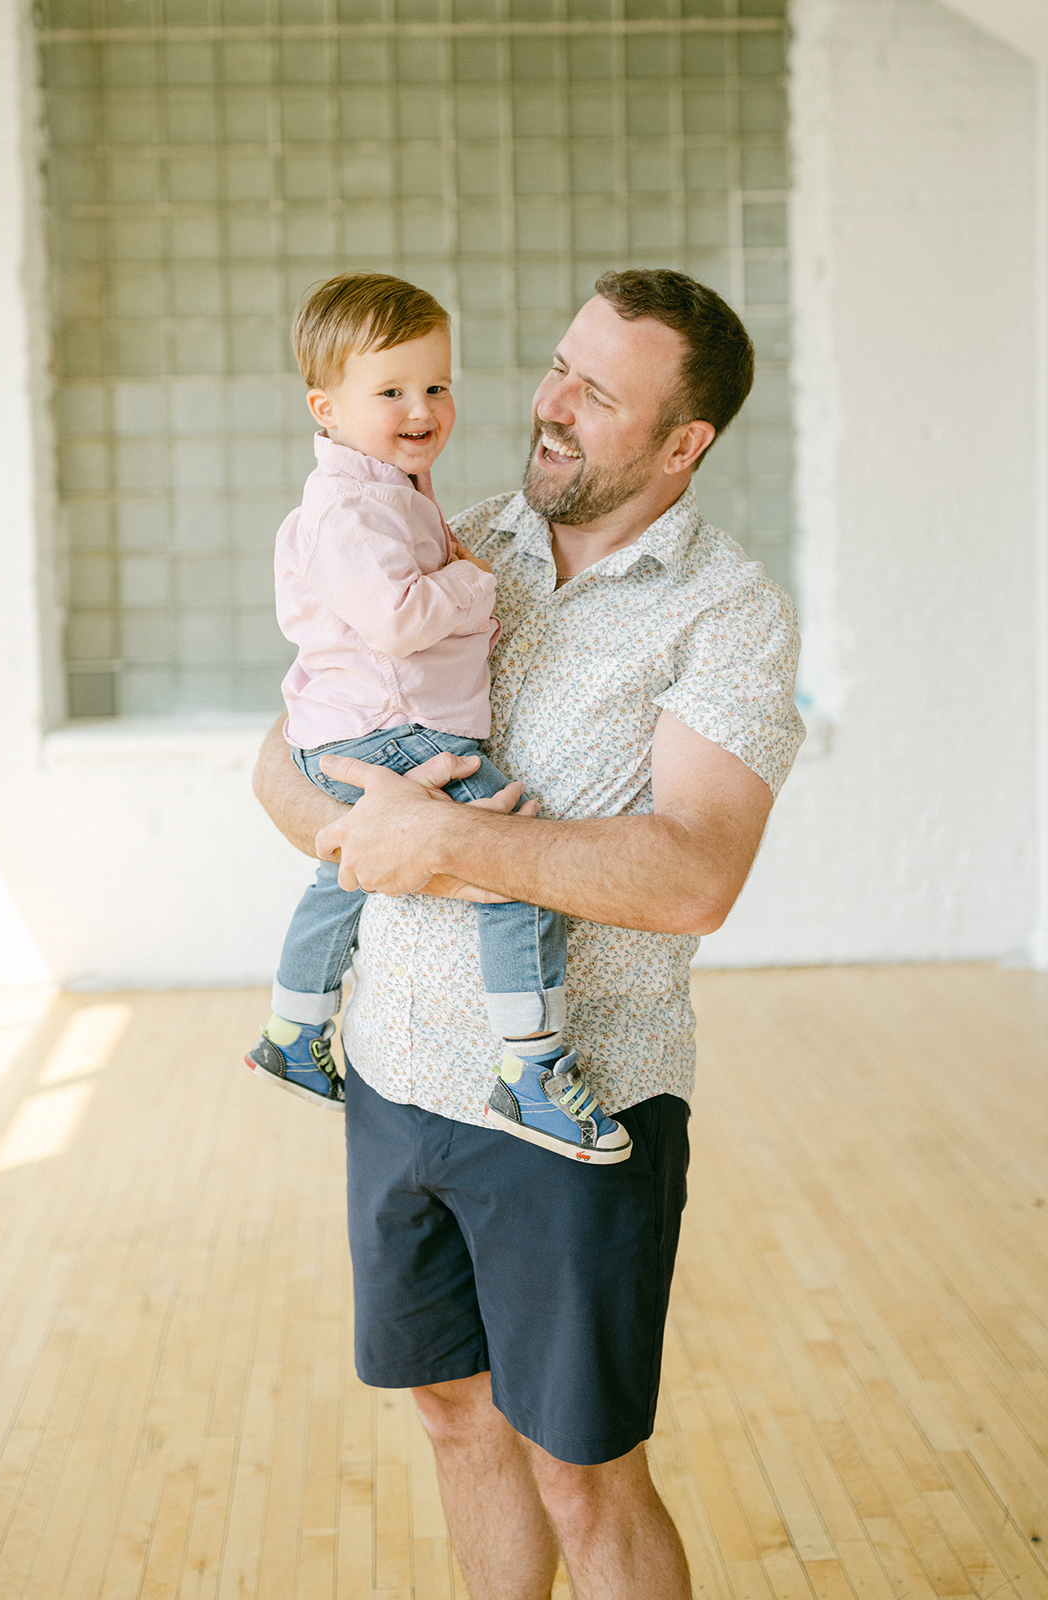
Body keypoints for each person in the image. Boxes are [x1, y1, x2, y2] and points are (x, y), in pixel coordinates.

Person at [254, 268, 805, 1600]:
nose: (549, 405)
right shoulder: (454, 536)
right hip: (392, 1075)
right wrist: (350, 828)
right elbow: (281, 761)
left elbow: (695, 875)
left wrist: (440, 840)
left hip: (579, 1108)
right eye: (560, 364)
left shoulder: (728, 617)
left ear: (687, 444)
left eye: (598, 393)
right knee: (454, 1415)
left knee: (584, 1475)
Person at [249, 271, 629, 1163]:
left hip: (368, 725)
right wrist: (471, 581)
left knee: (345, 871)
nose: (421, 408)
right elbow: (398, 617)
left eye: (436, 385)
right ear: (326, 407)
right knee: (522, 857)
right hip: (395, 730)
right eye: (390, 391)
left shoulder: (390, 484)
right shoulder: (352, 505)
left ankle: (296, 1032)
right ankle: (532, 1067)